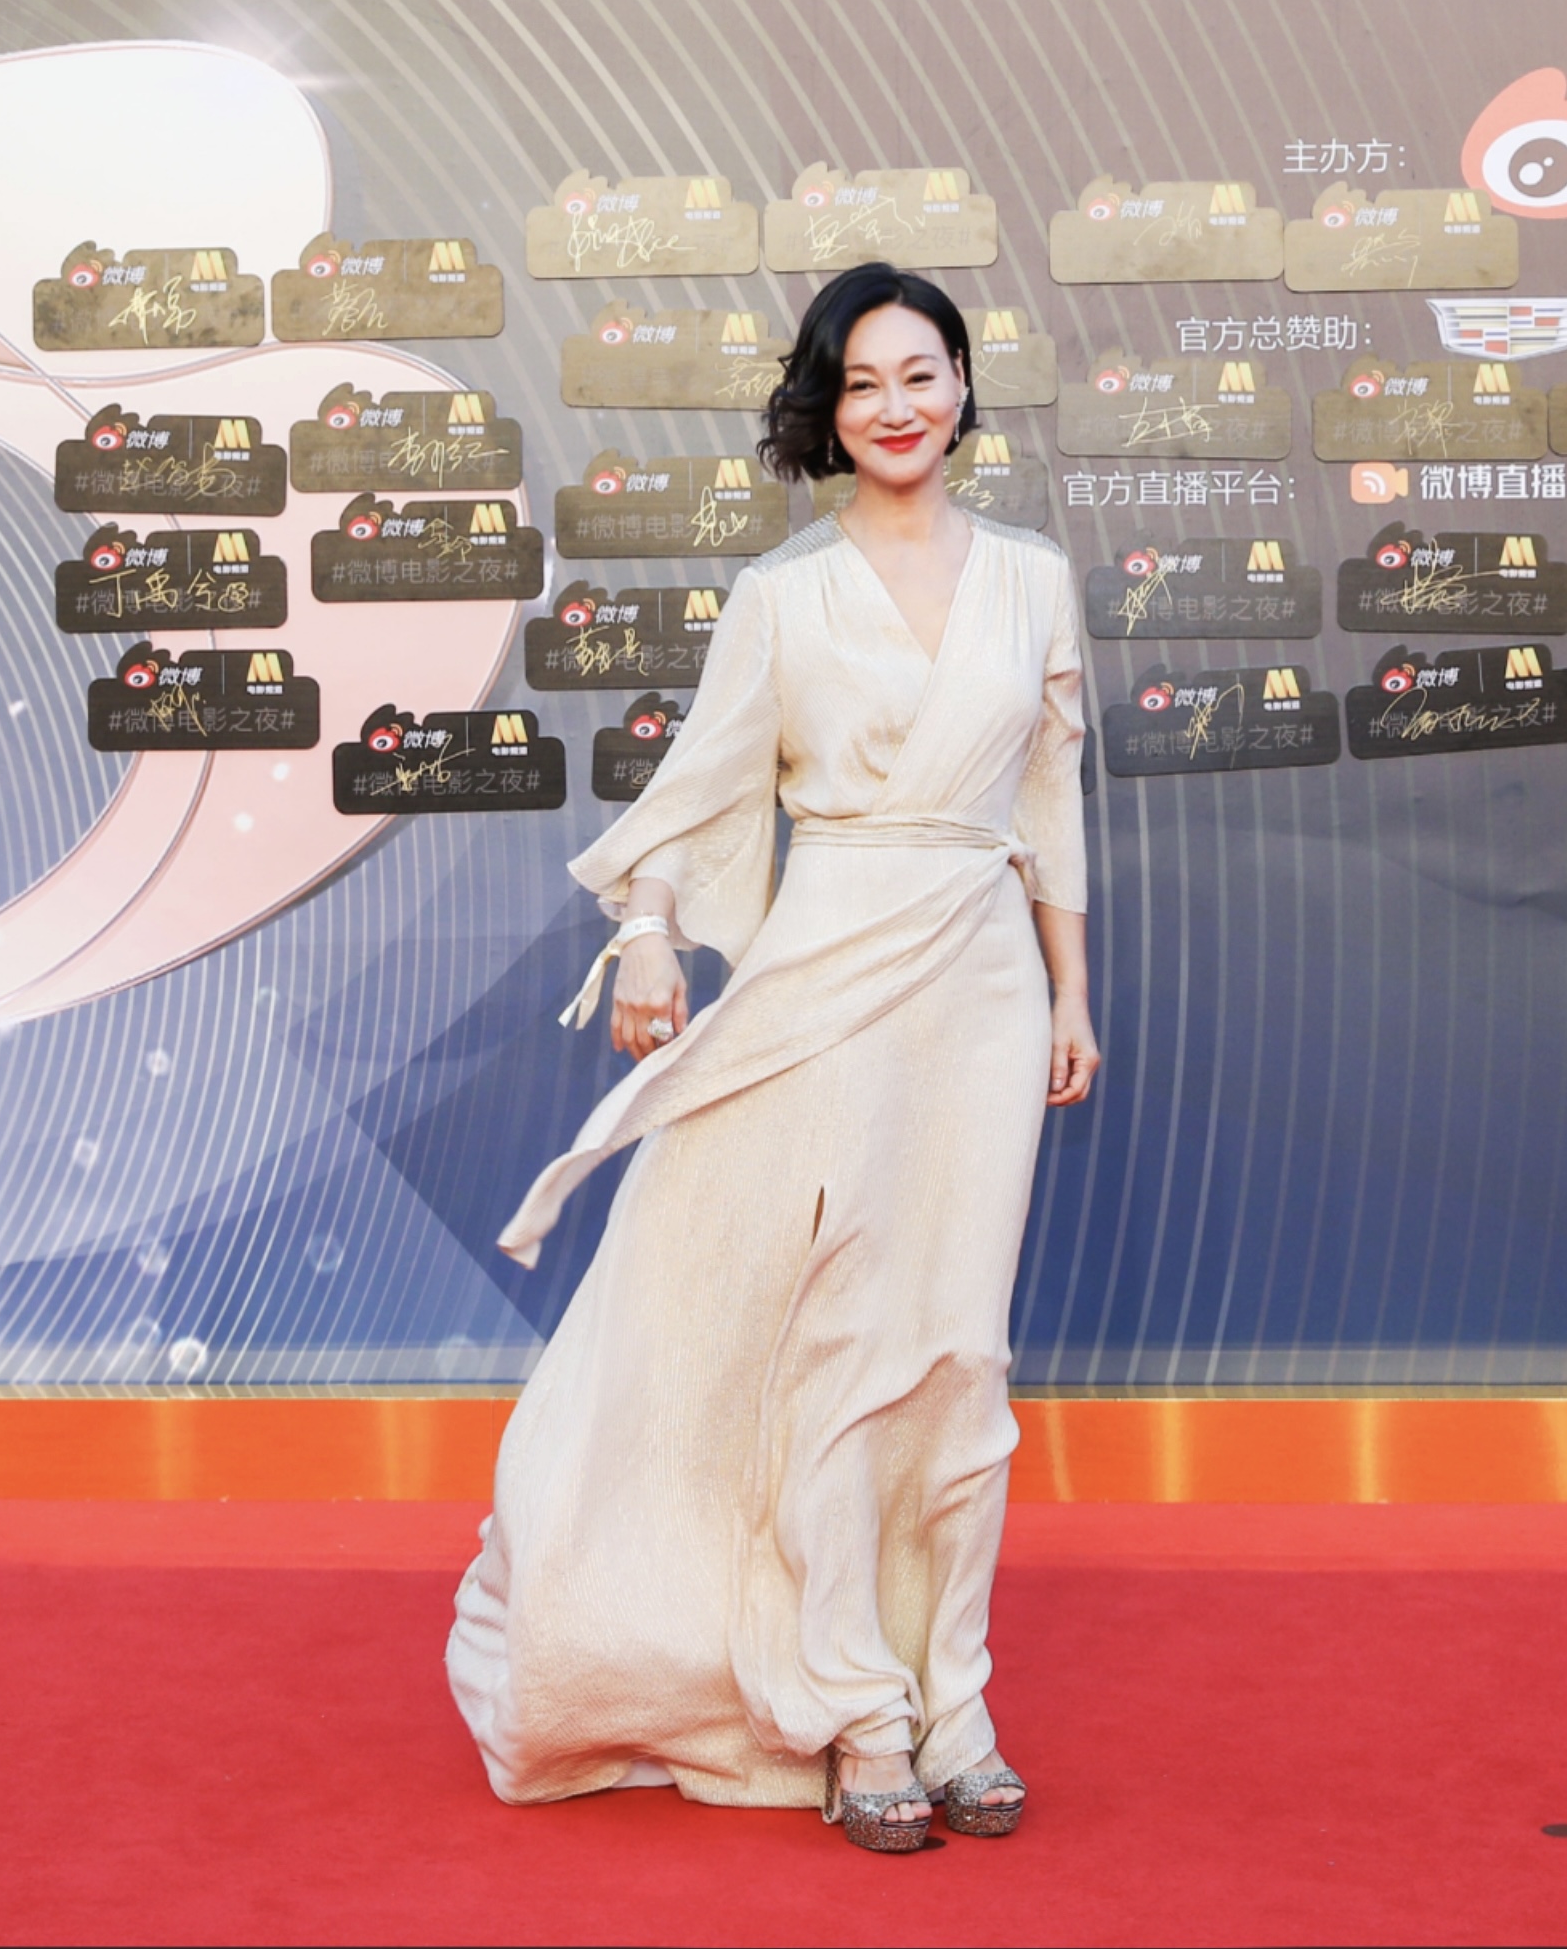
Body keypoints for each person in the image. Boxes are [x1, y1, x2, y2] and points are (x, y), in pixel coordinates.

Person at [445, 260, 1100, 1853]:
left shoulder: (1032, 578)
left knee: (959, 1350)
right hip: (828, 973)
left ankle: (954, 1702)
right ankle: (856, 1708)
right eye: (863, 382)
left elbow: (1049, 802)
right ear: (828, 407)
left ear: (962, 386)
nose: (897, 405)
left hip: (984, 985)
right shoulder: (784, 595)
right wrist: (650, 931)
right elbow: (701, 789)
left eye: (921, 372)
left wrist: (1071, 995)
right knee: (844, 1337)